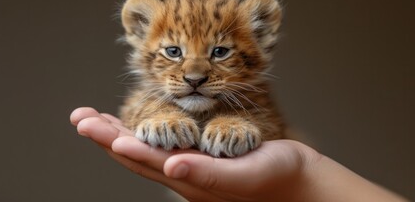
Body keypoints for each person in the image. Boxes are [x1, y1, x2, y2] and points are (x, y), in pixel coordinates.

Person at [70, 107, 408, 202]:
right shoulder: (150, 98)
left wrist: (304, 175)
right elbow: (136, 111)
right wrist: (154, 119)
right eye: (174, 51)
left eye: (220, 52)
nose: (195, 72)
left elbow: (271, 129)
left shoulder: (253, 105)